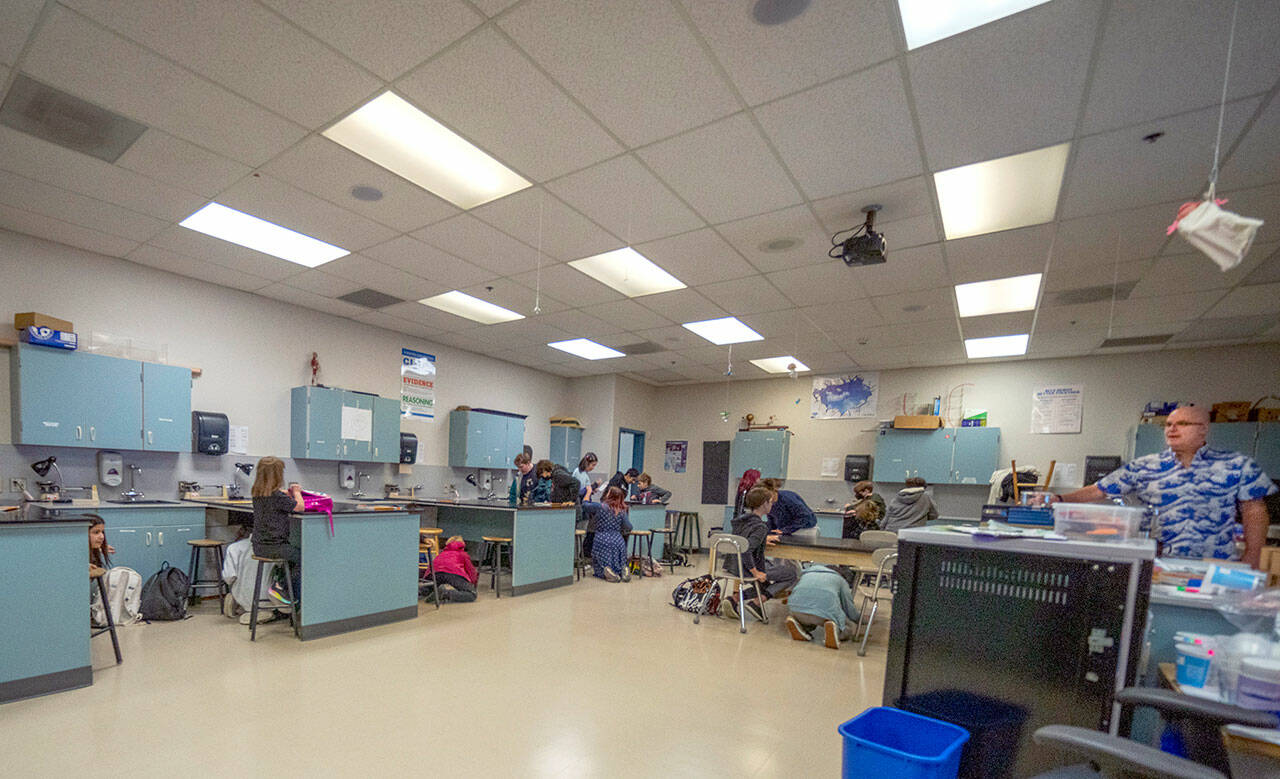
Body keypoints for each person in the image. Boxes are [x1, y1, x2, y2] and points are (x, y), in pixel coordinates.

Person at [1057, 404, 1276, 566]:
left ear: (1203, 429)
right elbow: (1098, 490)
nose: (1172, 429)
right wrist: (1058, 499)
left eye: (1182, 424)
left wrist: (1253, 554)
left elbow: (1254, 510)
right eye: (1168, 424)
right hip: (1157, 562)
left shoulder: (1237, 465)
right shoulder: (1145, 466)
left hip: (1214, 563)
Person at [722, 486, 798, 622]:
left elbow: (744, 540)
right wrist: (755, 572)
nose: (772, 505)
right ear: (764, 504)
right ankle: (756, 603)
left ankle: (734, 599)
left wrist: (763, 539)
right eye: (770, 502)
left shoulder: (742, 521)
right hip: (746, 568)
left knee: (767, 586)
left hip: (732, 565)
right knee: (791, 574)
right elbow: (746, 550)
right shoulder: (760, 527)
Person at [251, 456, 305, 607]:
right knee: (304, 558)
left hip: (259, 546)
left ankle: (280, 584)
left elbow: (279, 501)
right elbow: (300, 507)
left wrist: (287, 495)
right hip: (275, 546)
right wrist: (297, 492)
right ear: (277, 475)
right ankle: (283, 589)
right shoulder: (277, 496)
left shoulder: (257, 493)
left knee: (291, 557)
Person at [786, 563, 861, 650]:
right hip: (822, 613)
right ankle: (835, 630)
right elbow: (849, 608)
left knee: (808, 617)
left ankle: (798, 624)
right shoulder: (840, 580)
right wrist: (860, 619)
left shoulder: (807, 574)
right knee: (847, 627)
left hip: (796, 609)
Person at [591, 486, 632, 582]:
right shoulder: (622, 510)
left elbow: (585, 505)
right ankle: (624, 569)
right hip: (618, 540)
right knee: (621, 559)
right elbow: (629, 527)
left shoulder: (600, 507)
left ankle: (606, 571)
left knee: (601, 560)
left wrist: (588, 492)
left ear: (609, 495)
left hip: (602, 538)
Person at [427, 535, 478, 602]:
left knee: (428, 589)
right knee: (472, 594)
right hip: (453, 573)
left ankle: (423, 592)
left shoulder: (441, 554)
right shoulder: (463, 554)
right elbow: (471, 572)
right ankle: (445, 594)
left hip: (435, 573)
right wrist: (473, 584)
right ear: (462, 544)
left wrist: (426, 579)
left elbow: (430, 567)